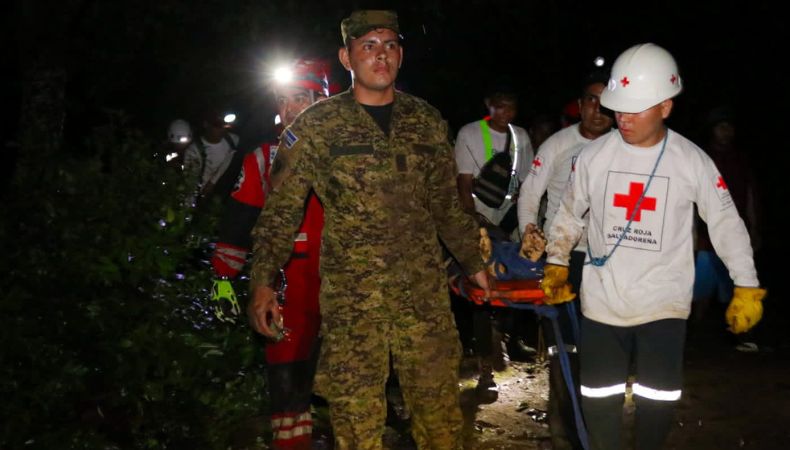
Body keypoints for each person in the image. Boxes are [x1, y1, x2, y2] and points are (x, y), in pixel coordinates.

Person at [246, 10, 490, 450]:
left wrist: (473, 262)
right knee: (356, 424)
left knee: (440, 420)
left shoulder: (425, 121)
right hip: (353, 302)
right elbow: (281, 211)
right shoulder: (316, 127)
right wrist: (263, 281)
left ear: (401, 55)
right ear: (347, 56)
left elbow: (445, 205)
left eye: (390, 45)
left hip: (423, 299)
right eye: (369, 46)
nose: (381, 55)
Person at [541, 43, 766, 450]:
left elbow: (725, 222)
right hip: (602, 305)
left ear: (665, 107)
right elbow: (570, 214)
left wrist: (746, 284)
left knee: (657, 405)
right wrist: (556, 261)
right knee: (598, 403)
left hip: (664, 304)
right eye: (618, 107)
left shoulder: (691, 160)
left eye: (635, 108)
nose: (622, 117)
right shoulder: (593, 157)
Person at [210, 57, 332, 449]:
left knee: (350, 385)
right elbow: (237, 221)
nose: (291, 108)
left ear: (322, 99)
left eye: (301, 97)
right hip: (287, 288)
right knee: (288, 383)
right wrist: (223, 279)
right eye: (284, 100)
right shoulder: (262, 158)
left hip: (346, 287)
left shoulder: (349, 157)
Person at [517, 68, 614, 449]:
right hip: (563, 259)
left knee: (601, 345)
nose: (599, 110)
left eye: (607, 104)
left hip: (607, 260)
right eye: (592, 100)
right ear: (580, 105)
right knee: (563, 346)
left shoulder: (622, 147)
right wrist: (529, 230)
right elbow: (530, 193)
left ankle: (594, 424)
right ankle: (563, 430)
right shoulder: (557, 144)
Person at [454, 83, 534, 234]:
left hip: (509, 218)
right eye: (500, 106)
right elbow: (464, 184)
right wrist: (474, 222)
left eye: (511, 108)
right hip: (479, 214)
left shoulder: (521, 136)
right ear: (488, 103)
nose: (506, 113)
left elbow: (527, 182)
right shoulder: (469, 133)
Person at [183, 109, 241, 201]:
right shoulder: (194, 151)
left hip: (226, 192)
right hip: (203, 196)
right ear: (206, 125)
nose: (222, 129)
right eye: (217, 125)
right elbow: (190, 181)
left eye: (223, 125)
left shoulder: (232, 140)